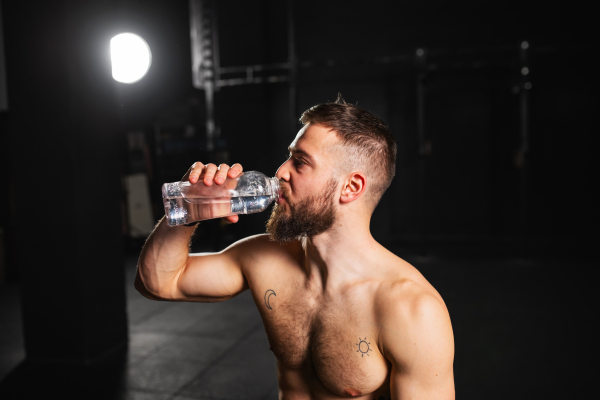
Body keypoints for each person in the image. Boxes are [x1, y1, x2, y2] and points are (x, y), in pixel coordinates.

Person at [136, 97, 455, 399]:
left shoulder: (412, 310)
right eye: (289, 156)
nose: (281, 172)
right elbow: (159, 283)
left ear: (351, 187)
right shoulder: (264, 258)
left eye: (300, 162)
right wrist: (187, 213)